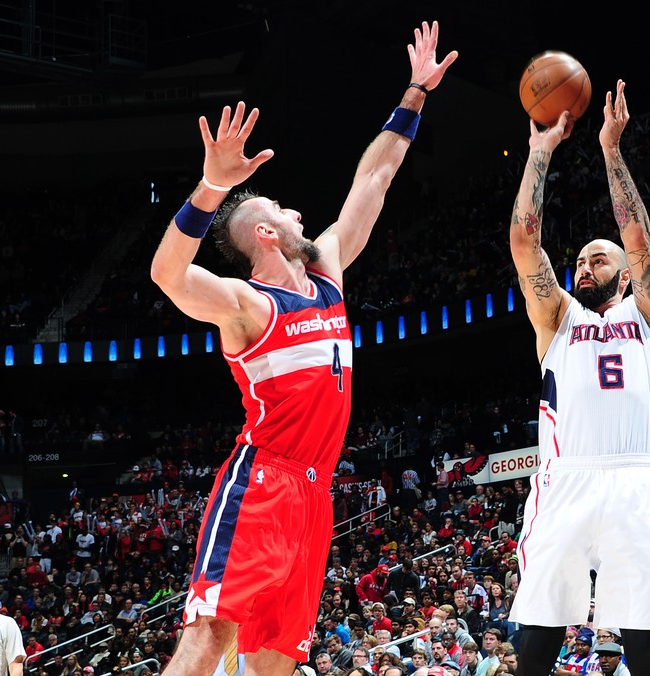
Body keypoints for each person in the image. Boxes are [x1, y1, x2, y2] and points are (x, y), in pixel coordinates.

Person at [150, 22, 457, 676]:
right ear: (266, 232)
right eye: (288, 211)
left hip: (316, 497)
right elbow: (167, 277)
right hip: (264, 480)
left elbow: (376, 174)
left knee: (273, 663)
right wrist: (208, 189)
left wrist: (415, 92)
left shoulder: (327, 276)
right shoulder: (248, 305)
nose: (301, 216)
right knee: (209, 640)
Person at [507, 80, 650, 676]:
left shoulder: (648, 315)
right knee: (541, 635)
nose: (584, 266)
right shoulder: (557, 317)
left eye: (598, 259)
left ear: (624, 276)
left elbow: (638, 236)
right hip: (565, 479)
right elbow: (525, 241)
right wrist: (540, 152)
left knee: (644, 637)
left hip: (633, 478)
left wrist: (609, 148)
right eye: (580, 260)